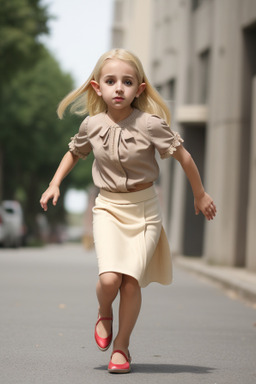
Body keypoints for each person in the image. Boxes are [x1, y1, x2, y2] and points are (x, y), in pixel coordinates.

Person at [40, 48, 216, 374]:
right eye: (111, 81)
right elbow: (73, 153)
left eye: (127, 81)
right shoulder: (91, 125)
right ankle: (104, 309)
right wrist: (54, 184)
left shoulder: (150, 124)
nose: (119, 88)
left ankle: (121, 346)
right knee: (109, 280)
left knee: (131, 281)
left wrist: (200, 194)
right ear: (98, 88)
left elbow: (185, 157)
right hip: (107, 208)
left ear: (140, 88)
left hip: (145, 210)